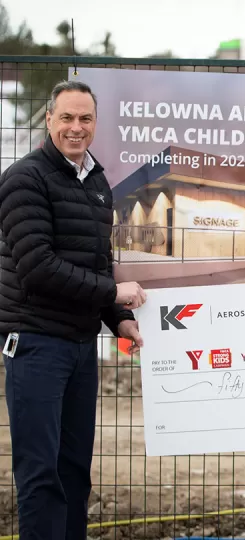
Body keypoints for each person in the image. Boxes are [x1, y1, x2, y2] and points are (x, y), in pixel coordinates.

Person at [0, 80, 147, 540]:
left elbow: (96, 261)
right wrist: (114, 293)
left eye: (85, 118)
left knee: (74, 472)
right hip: (36, 345)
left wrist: (119, 319)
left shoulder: (97, 181)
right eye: (66, 117)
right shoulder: (25, 179)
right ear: (49, 120)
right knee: (41, 476)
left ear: (95, 124)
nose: (76, 127)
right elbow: (38, 267)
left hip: (81, 347)